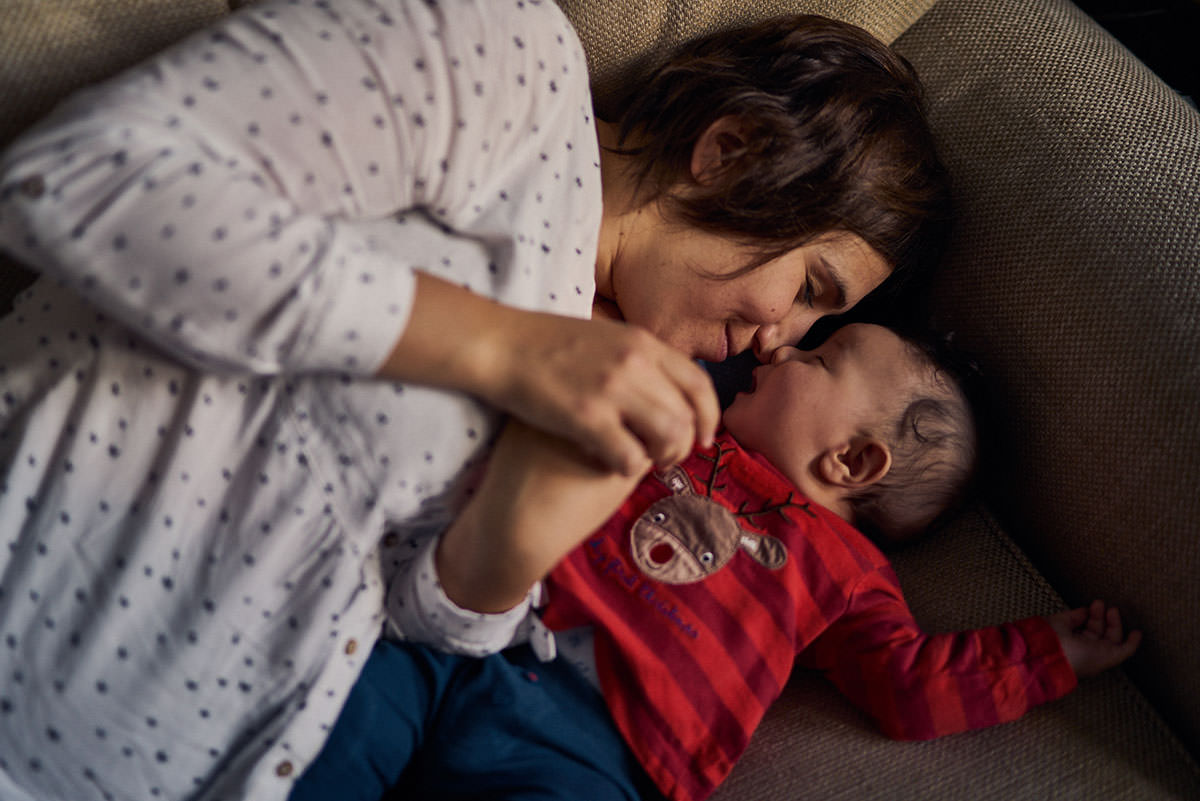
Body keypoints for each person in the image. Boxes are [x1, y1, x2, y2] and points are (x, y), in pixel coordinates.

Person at [0, 2, 948, 800]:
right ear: (734, 154)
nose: (788, 338)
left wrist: (512, 537)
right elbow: (81, 176)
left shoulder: (628, 380)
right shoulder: (507, 64)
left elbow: (417, 626)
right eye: (814, 285)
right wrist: (506, 349)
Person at [292, 323, 1142, 801]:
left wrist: (1047, 653)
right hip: (470, 621)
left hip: (603, 744)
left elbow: (911, 684)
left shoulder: (848, 574)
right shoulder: (688, 415)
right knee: (326, 732)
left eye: (817, 358)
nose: (779, 352)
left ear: (852, 461)